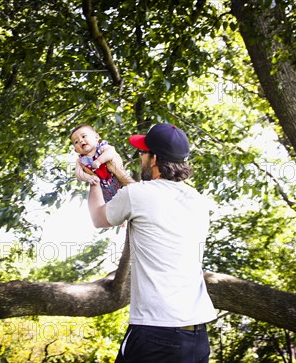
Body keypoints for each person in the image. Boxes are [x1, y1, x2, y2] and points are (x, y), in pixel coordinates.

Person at [85, 123, 216, 363]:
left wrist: (94, 179)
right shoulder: (198, 201)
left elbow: (98, 218)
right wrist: (119, 173)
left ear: (153, 159)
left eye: (142, 153)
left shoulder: (139, 195)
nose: (141, 158)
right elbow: (152, 198)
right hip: (196, 338)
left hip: (156, 334)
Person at [70, 124, 133, 201]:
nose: (80, 140)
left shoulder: (102, 147)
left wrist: (99, 161)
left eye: (83, 136)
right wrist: (88, 178)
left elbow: (111, 152)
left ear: (96, 137)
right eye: (76, 142)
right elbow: (78, 173)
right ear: (76, 150)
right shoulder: (80, 160)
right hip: (105, 194)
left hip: (120, 183)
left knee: (130, 198)